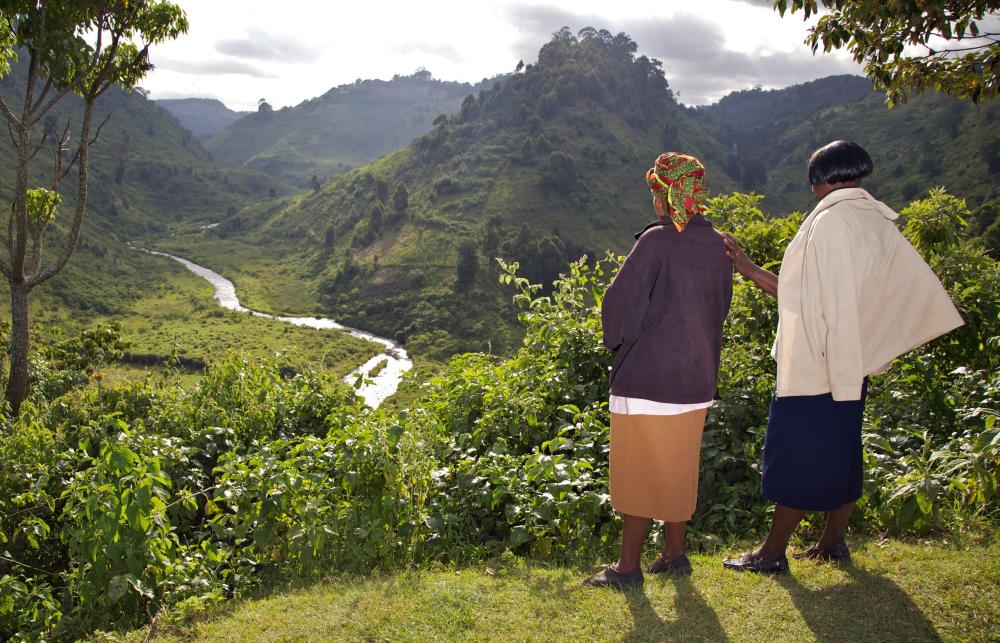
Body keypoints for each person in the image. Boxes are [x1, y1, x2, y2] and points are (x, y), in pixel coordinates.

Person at [720, 140, 964, 573]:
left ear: (818, 180)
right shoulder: (873, 218)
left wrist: (750, 270)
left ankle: (771, 553)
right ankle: (833, 541)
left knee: (797, 457)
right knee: (843, 452)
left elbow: (812, 302)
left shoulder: (832, 222)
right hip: (852, 361)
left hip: (821, 363)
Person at [584, 152, 733, 589]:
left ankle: (627, 567)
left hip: (649, 377)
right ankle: (674, 554)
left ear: (663, 196)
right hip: (696, 376)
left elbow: (619, 308)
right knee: (678, 466)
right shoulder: (719, 244)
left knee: (639, 470)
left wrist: (619, 343)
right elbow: (719, 309)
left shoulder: (655, 242)